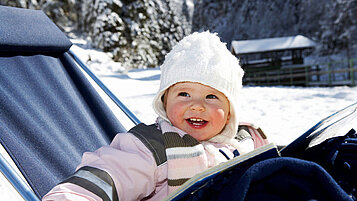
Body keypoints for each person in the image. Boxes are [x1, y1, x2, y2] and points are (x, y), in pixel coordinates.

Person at [42, 31, 254, 201]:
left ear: (229, 113)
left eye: (211, 96)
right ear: (164, 101)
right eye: (184, 94)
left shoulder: (245, 139)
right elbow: (112, 173)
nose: (197, 106)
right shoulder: (153, 148)